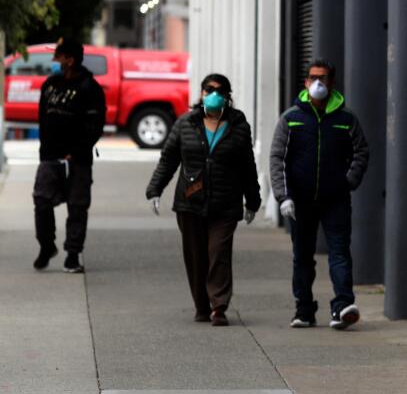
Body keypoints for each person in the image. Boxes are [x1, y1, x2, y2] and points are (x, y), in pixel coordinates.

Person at [146, 74, 261, 326]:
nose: (213, 93)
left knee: (218, 251)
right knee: (196, 255)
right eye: (208, 89)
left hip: (226, 203)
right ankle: (201, 305)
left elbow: (247, 166)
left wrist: (253, 200)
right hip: (190, 202)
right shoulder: (185, 123)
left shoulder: (239, 125)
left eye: (219, 90)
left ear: (228, 96)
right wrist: (155, 189)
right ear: (201, 93)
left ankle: (218, 306)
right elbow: (168, 160)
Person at [270, 58, 369, 330]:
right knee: (302, 256)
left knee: (339, 253)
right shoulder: (291, 119)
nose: (318, 83)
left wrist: (348, 182)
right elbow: (277, 157)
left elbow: (361, 152)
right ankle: (303, 309)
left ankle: (343, 307)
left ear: (331, 83)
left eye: (323, 78)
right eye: (313, 77)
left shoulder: (346, 119)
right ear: (305, 82)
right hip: (299, 202)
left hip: (335, 200)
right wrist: (283, 196)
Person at [32, 38, 105, 273]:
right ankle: (46, 246)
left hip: (78, 159)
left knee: (77, 206)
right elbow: (43, 118)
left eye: (59, 57)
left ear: (70, 60)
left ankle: (72, 254)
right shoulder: (50, 84)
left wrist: (78, 150)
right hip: (50, 157)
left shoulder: (89, 88)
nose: (55, 61)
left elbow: (95, 125)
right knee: (42, 202)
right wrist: (45, 149)